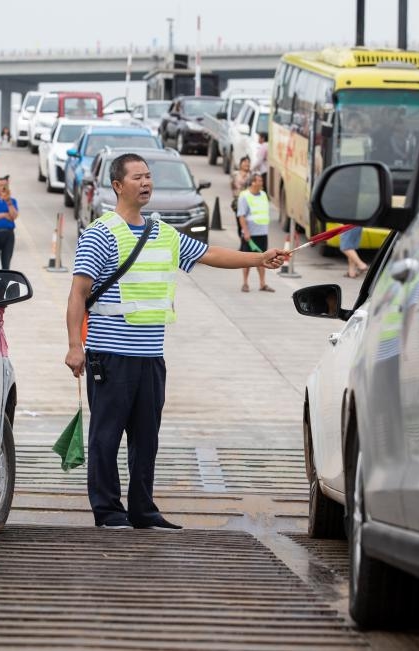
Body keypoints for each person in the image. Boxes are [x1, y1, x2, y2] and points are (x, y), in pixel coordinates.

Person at [64, 153, 290, 530]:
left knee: (146, 439)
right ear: (118, 186)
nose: (146, 182)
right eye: (138, 177)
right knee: (106, 436)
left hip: (151, 357)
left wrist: (260, 258)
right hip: (110, 355)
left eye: (149, 176)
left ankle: (143, 510)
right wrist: (75, 346)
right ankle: (108, 511)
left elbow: (211, 253)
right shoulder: (100, 234)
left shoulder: (162, 233)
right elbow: (77, 294)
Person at [237, 173, 273, 293]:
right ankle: (245, 283)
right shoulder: (244, 196)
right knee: (246, 260)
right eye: (259, 181)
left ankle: (262, 283)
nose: (261, 183)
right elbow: (241, 216)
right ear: (252, 182)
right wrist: (246, 232)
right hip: (250, 235)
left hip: (262, 233)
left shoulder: (263, 194)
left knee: (263, 259)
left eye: (261, 181)